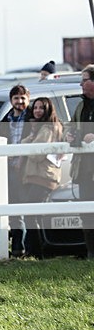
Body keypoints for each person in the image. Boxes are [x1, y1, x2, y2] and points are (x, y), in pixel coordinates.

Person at [19, 97, 64, 258]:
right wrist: (31, 136)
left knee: (31, 214)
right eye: (35, 107)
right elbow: (22, 144)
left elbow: (36, 154)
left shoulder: (48, 128)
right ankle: (35, 251)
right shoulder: (40, 128)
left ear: (48, 110)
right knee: (33, 214)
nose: (37, 111)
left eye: (41, 108)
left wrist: (30, 139)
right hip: (36, 176)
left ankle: (37, 252)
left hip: (43, 177)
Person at [0, 84, 30, 257]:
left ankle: (25, 247)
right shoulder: (6, 120)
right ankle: (17, 248)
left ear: (28, 99)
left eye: (22, 98)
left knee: (24, 209)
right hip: (8, 170)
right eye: (16, 98)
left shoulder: (33, 118)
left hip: (27, 170)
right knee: (10, 209)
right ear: (11, 100)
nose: (19, 101)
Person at [67, 64, 94, 258]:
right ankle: (91, 252)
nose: (80, 84)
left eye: (84, 80)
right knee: (86, 213)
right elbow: (70, 126)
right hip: (84, 169)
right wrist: (69, 135)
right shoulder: (81, 106)